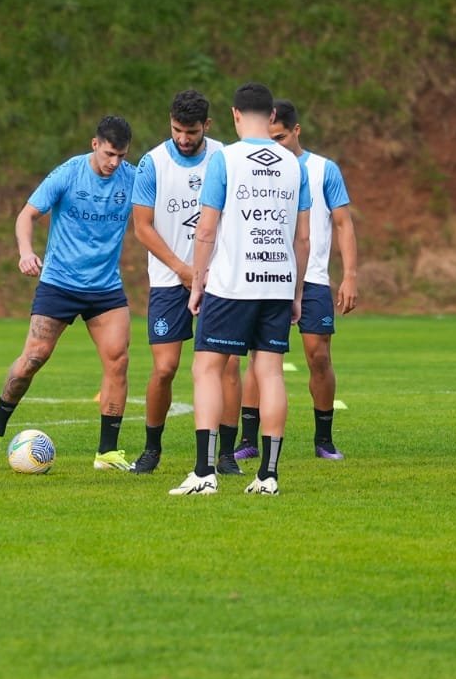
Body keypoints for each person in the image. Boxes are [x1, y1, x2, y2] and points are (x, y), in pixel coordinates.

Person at [0, 115, 140, 473]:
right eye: (109, 154)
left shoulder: (132, 178)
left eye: (121, 156)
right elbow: (26, 215)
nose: (114, 163)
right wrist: (26, 252)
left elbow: (153, 217)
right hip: (60, 282)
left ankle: (106, 452)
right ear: (95, 144)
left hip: (105, 288)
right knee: (33, 358)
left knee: (118, 361)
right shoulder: (68, 173)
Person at [170, 83, 310, 497]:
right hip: (279, 282)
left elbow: (207, 229)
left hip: (232, 282)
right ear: (271, 117)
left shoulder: (225, 159)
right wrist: (298, 291)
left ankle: (203, 472)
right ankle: (268, 476)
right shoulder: (293, 164)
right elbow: (303, 239)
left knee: (207, 369)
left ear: (234, 115)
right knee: (268, 373)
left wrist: (197, 283)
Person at [233, 99, 357, 461]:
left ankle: (324, 439)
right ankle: (248, 439)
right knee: (259, 358)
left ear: (296, 131)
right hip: (268, 274)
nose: (275, 145)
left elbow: (343, 223)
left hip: (314, 276)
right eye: (270, 137)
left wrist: (349, 275)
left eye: (282, 137)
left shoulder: (323, 170)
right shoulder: (257, 167)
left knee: (319, 356)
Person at [128, 90, 235, 475]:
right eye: (177, 130)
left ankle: (224, 456)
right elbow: (142, 227)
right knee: (165, 368)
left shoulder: (225, 157)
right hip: (168, 282)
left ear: (207, 125)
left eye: (191, 131)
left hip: (220, 280)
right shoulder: (151, 163)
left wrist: (209, 271)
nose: (184, 138)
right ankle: (152, 449)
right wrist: (182, 268)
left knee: (227, 366)